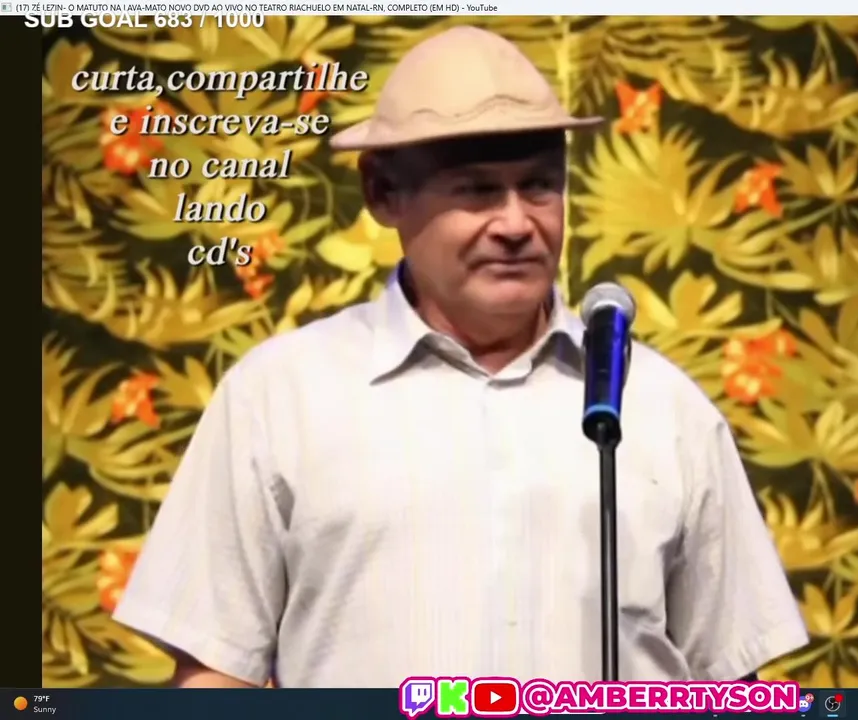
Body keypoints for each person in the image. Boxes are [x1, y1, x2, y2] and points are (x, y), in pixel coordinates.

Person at [113, 25, 807, 689]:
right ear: (383, 193)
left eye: (540, 185)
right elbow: (216, 673)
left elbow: (731, 681)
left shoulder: (659, 404)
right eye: (477, 191)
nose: (517, 224)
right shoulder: (279, 397)